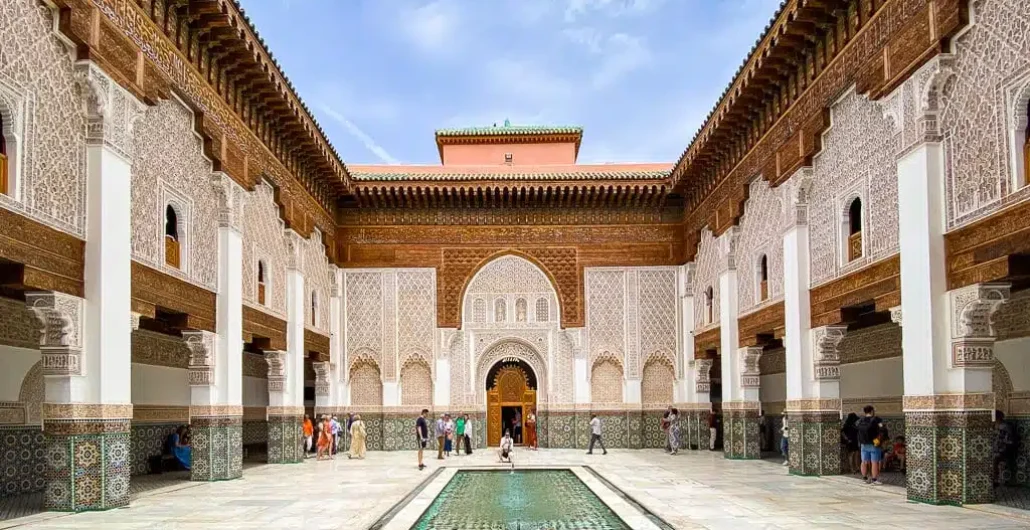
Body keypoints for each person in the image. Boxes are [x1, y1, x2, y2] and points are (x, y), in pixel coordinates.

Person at [856, 405, 884, 485]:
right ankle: (874, 480)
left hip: (863, 444)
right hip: (874, 443)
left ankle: (864, 478)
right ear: (872, 411)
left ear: (865, 412)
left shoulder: (860, 420)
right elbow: (882, 429)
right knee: (874, 462)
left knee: (864, 461)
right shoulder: (876, 420)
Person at [993, 410, 1019, 488]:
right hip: (999, 449)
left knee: (994, 459)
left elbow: (1008, 442)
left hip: (1006, 450)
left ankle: (995, 480)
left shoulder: (1004, 427)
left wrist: (998, 449)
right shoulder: (996, 426)